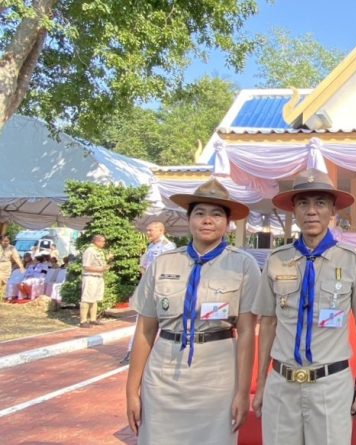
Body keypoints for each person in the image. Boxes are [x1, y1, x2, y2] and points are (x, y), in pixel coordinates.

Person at [251, 168, 356, 445]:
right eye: (303, 203)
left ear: (333, 210)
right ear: (294, 210)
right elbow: (268, 323)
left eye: (320, 203)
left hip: (330, 385)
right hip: (282, 383)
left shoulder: (352, 260)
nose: (311, 211)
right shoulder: (276, 260)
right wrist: (261, 381)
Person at [125, 178, 259, 444]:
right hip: (163, 374)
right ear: (188, 220)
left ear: (228, 223)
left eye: (216, 214)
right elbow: (145, 330)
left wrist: (243, 392)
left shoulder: (243, 265)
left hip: (217, 375)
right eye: (199, 213)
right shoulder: (163, 264)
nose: (207, 220)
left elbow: (246, 332)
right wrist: (131, 390)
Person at [120, 222, 177, 364]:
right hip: (148, 288)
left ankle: (158, 353)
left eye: (151, 230)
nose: (148, 233)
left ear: (161, 230)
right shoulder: (151, 246)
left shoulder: (168, 247)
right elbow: (143, 266)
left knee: (164, 321)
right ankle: (132, 351)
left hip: (161, 290)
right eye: (147, 230)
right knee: (141, 320)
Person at [80, 235, 112, 328]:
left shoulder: (99, 251)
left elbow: (99, 263)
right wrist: (100, 269)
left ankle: (93, 319)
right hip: (90, 277)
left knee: (94, 299)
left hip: (99, 277)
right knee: (86, 299)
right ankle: (83, 321)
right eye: (102, 241)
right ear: (96, 241)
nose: (104, 243)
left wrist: (107, 261)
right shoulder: (89, 251)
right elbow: (86, 266)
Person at [1, 235, 25, 299]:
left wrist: (21, 266)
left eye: (7, 241)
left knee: (5, 282)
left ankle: (3, 297)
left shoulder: (12, 248)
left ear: (9, 241)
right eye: (4, 241)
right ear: (1, 241)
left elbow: (16, 258)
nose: (5, 242)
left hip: (6, 266)